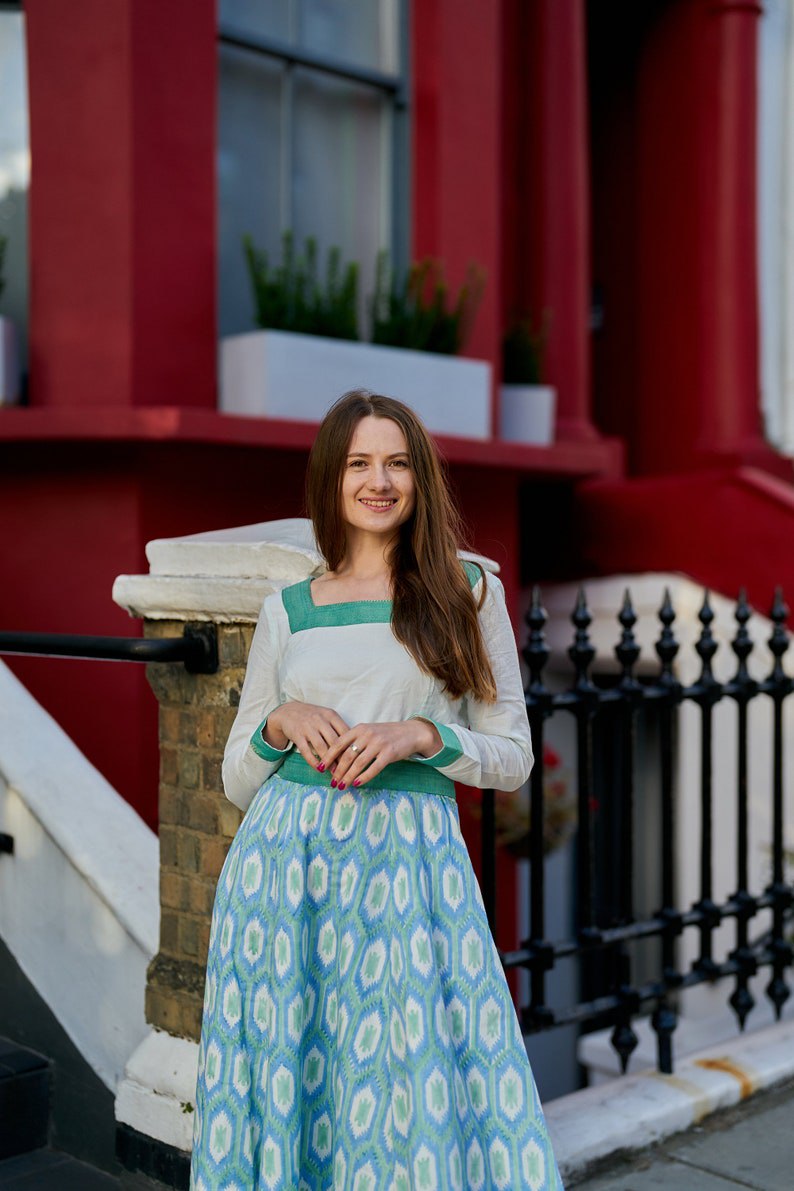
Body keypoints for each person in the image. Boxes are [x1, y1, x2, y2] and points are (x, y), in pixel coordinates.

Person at [189, 390, 563, 1190]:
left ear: (421, 478)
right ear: (332, 479)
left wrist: (423, 735)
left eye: (397, 462)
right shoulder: (286, 611)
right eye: (359, 462)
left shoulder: (467, 590)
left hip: (410, 872)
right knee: (300, 1072)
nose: (379, 480)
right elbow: (236, 779)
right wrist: (281, 719)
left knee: (410, 1079)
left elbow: (514, 753)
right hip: (286, 877)